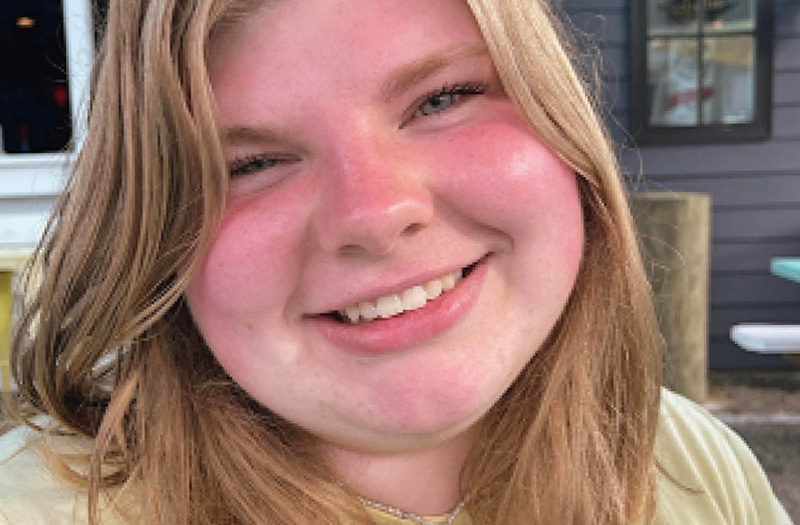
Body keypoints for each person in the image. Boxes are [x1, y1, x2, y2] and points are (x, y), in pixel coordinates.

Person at [0, 0, 792, 524]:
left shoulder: (687, 462)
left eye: (442, 98)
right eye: (249, 164)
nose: (373, 215)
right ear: (153, 233)